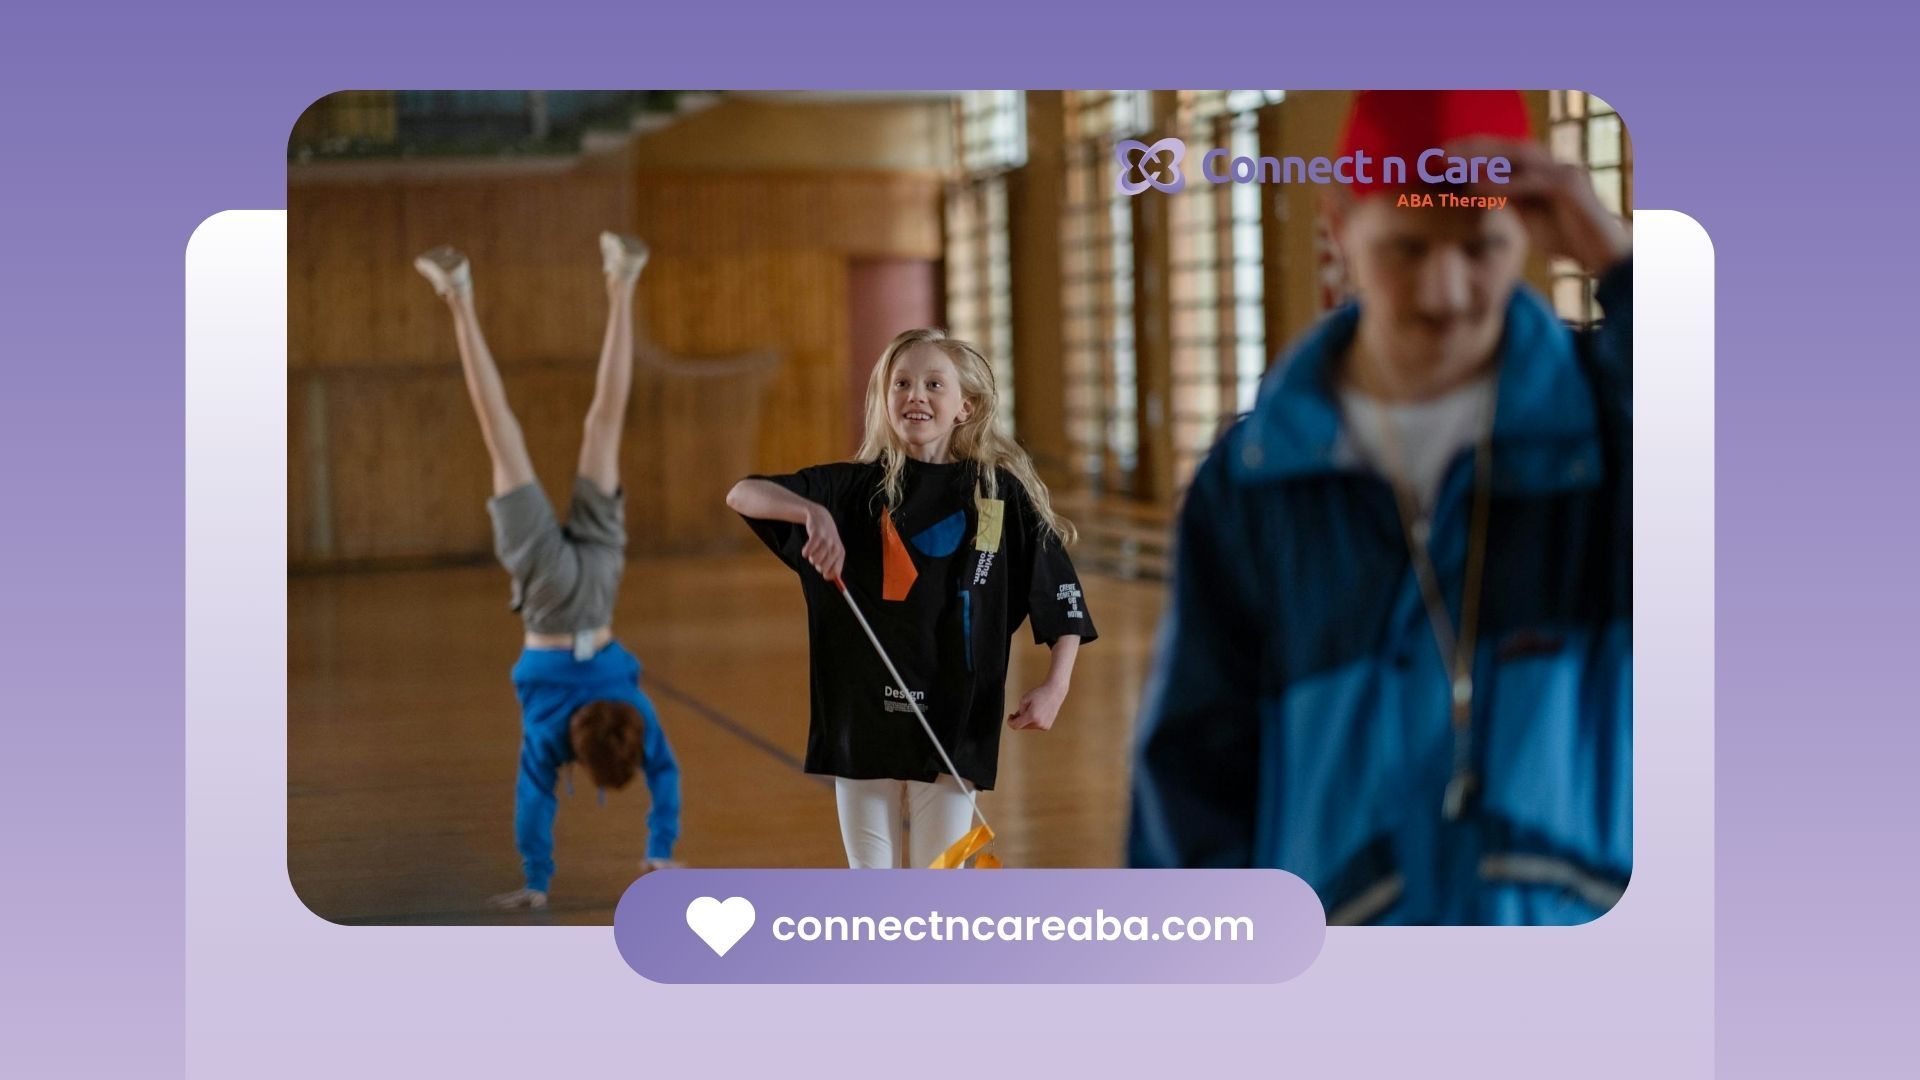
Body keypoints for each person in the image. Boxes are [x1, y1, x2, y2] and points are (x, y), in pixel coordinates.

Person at [1128, 91, 1632, 925]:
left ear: (1532, 230)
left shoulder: (1617, 431)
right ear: (1339, 223)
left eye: (1482, 247)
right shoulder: (1256, 480)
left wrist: (1622, 266)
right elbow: (1195, 770)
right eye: (1407, 248)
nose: (1445, 291)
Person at [727, 329, 1096, 868]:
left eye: (932, 384)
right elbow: (743, 492)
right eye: (901, 383)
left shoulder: (995, 495)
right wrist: (810, 513)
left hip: (954, 720)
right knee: (872, 888)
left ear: (963, 407)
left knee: (933, 888)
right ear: (884, 400)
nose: (915, 395)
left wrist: (1055, 686)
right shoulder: (850, 490)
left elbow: (1060, 594)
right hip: (861, 718)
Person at [413, 231, 681, 910]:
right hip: (547, 600)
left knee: (604, 422)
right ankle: (458, 295)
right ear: (581, 760)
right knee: (497, 426)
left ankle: (623, 281)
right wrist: (535, 880)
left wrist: (662, 847)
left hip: (598, 588)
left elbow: (668, 775)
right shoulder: (547, 737)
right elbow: (533, 806)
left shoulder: (636, 712)